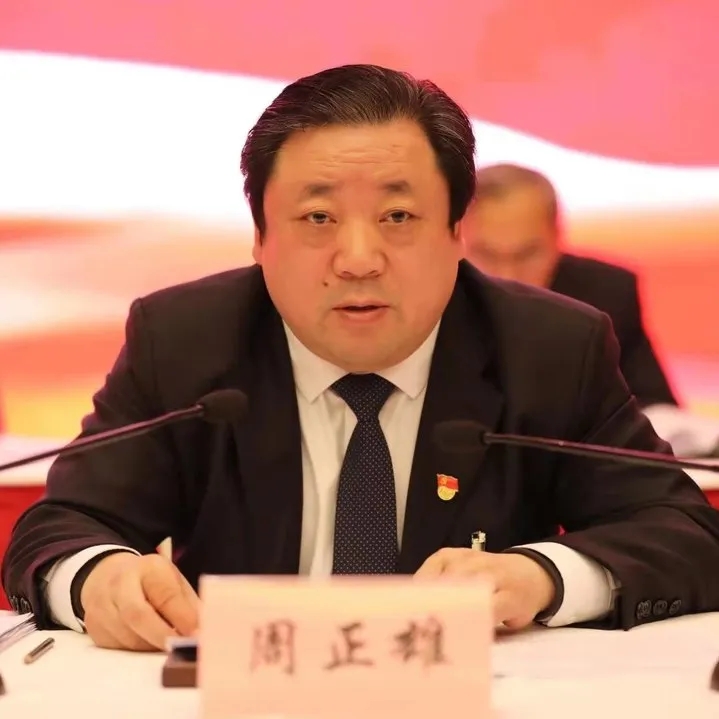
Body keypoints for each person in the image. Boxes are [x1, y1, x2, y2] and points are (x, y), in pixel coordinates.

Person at [4, 65, 719, 653]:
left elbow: (684, 534)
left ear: (456, 233)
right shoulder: (185, 339)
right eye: (317, 218)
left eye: (397, 217)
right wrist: (99, 578)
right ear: (260, 238)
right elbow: (61, 526)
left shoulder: (548, 346)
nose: (357, 259)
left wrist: (541, 576)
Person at [461, 163, 678, 410]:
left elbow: (655, 410)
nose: (508, 275)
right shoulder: (433, 299)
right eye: (486, 254)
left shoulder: (609, 294)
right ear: (457, 240)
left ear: (557, 237)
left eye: (528, 254)